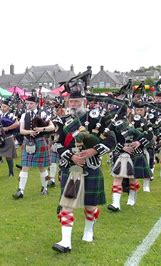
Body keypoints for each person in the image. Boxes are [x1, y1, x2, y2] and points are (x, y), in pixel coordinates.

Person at [52, 82, 116, 253]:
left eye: (77, 101)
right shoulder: (62, 121)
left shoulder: (97, 119)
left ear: (84, 101)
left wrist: (93, 150)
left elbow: (112, 141)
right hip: (71, 168)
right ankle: (66, 242)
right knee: (67, 204)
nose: (73, 104)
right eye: (71, 102)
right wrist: (71, 155)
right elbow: (56, 145)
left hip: (91, 166)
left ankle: (88, 230)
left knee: (90, 204)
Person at [13, 95, 55, 199]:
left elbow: (52, 127)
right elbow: (21, 130)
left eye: (31, 103)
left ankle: (44, 188)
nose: (29, 105)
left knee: (42, 167)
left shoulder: (43, 113)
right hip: (28, 142)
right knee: (25, 166)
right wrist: (30, 132)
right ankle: (21, 191)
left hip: (40, 141)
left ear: (36, 104)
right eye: (27, 103)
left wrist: (42, 129)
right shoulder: (24, 115)